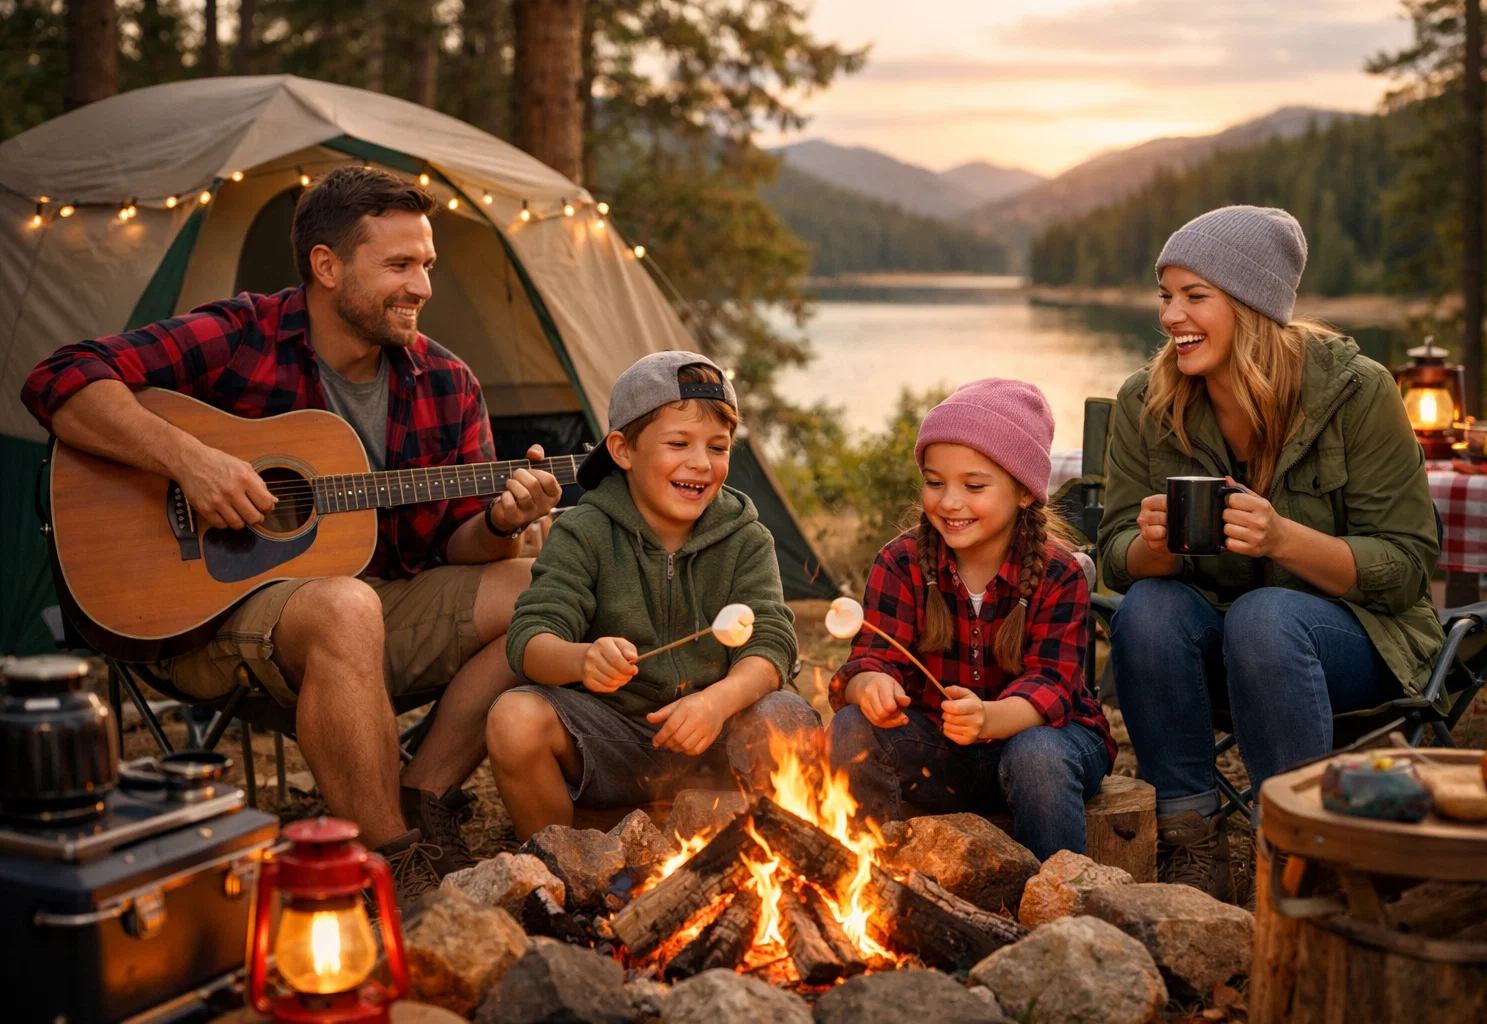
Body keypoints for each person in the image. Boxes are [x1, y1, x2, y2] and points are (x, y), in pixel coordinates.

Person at [20, 167, 562, 897]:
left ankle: (421, 796)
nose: (422, 287)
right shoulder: (244, 335)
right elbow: (59, 378)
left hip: (368, 610)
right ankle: (391, 867)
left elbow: (455, 546)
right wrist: (192, 462)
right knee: (345, 604)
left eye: (427, 265)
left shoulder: (447, 382)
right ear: (327, 266)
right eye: (399, 265)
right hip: (203, 617)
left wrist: (500, 522)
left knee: (535, 590)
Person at [1099, 206, 1443, 900]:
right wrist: (1155, 549)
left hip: (1352, 642)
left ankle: (1291, 850)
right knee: (1150, 607)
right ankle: (1190, 840)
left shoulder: (1357, 392)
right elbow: (1113, 552)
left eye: (1195, 296)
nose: (1170, 316)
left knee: (1266, 617)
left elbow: (1407, 567)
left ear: (1251, 304)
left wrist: (1285, 538)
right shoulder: (1147, 400)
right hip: (1210, 648)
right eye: (1166, 296)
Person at [486, 351, 818, 837]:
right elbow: (530, 639)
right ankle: (565, 861)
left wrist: (717, 702)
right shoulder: (583, 532)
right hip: (615, 743)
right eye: (678, 443)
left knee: (787, 716)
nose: (700, 463)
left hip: (716, 740)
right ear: (623, 450)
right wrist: (582, 660)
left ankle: (758, 846)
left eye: (719, 447)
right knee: (515, 717)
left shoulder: (746, 537)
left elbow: (772, 642)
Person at [827, 379, 1115, 861]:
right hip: (941, 757)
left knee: (1036, 755)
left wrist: (989, 718)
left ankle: (1056, 892)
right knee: (852, 726)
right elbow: (871, 657)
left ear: (1024, 492)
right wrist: (870, 685)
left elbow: (1054, 683)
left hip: (1045, 748)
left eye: (974, 486)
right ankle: (871, 879)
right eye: (934, 482)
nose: (949, 502)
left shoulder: (1059, 573)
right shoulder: (900, 563)